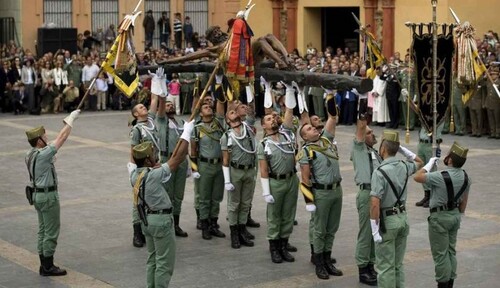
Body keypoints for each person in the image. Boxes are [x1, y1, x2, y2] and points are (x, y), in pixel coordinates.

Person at [128, 117, 194, 288]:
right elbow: (177, 158)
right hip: (161, 221)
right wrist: (187, 132)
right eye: (152, 155)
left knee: (152, 259)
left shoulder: (135, 175)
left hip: (147, 220)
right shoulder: (154, 175)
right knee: (164, 263)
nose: (155, 155)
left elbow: (171, 157)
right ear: (149, 160)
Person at [25, 109, 81, 276]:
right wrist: (71, 120)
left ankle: (44, 263)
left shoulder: (30, 154)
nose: (47, 138)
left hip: (37, 196)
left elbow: (55, 140)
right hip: (48, 197)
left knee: (42, 230)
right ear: (39, 140)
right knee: (51, 231)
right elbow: (61, 139)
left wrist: (66, 123)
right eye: (44, 136)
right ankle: (48, 266)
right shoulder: (42, 155)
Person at [298, 91, 343, 279]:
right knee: (319, 229)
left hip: (336, 191)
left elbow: (333, 116)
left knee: (332, 228)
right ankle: (319, 262)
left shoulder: (326, 140)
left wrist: (330, 95)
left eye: (313, 127)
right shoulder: (306, 152)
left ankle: (327, 257)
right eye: (308, 129)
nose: (313, 129)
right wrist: (309, 201)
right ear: (305, 137)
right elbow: (305, 179)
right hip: (321, 193)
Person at [369, 130, 423, 287]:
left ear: (383, 150)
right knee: (398, 265)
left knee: (385, 267)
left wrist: (374, 228)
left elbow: (374, 203)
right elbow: (420, 161)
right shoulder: (404, 166)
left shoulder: (379, 172)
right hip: (402, 219)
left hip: (387, 222)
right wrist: (402, 150)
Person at [414, 142, 471, 288]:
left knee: (440, 255)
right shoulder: (466, 177)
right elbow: (463, 205)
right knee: (451, 251)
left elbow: (417, 176)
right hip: (455, 216)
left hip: (439, 218)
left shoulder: (440, 176)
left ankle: (443, 284)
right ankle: (450, 282)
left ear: (450, 160)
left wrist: (428, 164)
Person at [257, 81, 298, 264]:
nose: (272, 120)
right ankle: (274, 247)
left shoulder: (286, 135)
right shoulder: (263, 144)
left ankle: (284, 243)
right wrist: (266, 191)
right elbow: (263, 170)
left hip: (291, 180)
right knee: (274, 217)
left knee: (288, 214)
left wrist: (290, 90)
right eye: (268, 119)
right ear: (263, 126)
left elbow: (288, 113)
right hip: (275, 182)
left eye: (273, 118)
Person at [129, 68, 165, 247]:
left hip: (155, 164)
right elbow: (133, 149)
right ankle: (137, 232)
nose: (144, 108)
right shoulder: (136, 129)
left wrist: (156, 81)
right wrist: (133, 168)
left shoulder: (150, 120)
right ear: (136, 114)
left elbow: (154, 99)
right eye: (140, 108)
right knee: (139, 199)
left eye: (143, 107)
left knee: (153, 196)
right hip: (142, 167)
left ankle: (149, 227)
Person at [350, 101, 381, 286]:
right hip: (366, 193)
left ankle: (370, 265)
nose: (372, 134)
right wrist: (362, 101)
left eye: (372, 131)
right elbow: (361, 127)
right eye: (369, 132)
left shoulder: (373, 151)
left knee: (373, 232)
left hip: (375, 194)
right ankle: (363, 268)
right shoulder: (359, 147)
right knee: (365, 233)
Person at [220, 101, 257, 249]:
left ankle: (242, 229)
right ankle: (234, 233)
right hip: (236, 171)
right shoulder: (226, 136)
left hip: (249, 170)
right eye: (231, 112)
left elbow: (251, 113)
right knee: (234, 204)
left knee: (245, 202)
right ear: (227, 120)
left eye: (235, 112)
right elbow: (225, 160)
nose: (234, 113)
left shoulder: (247, 128)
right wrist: (227, 180)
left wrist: (249, 89)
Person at [190, 97, 226, 240]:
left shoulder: (219, 124)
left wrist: (219, 89)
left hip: (219, 165)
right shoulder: (197, 129)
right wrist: (194, 170)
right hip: (204, 165)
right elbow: (193, 151)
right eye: (205, 108)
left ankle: (213, 224)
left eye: (209, 107)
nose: (208, 108)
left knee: (216, 197)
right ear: (200, 114)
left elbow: (221, 110)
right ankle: (204, 225)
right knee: (204, 198)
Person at [156, 99, 189, 237]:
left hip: (181, 160)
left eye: (172, 105)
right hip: (167, 159)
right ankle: (167, 224)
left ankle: (176, 224)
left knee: (178, 195)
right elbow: (162, 108)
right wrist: (162, 95)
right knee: (167, 194)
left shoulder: (181, 122)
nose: (170, 106)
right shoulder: (161, 121)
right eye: (167, 105)